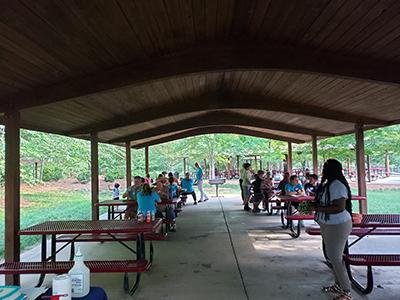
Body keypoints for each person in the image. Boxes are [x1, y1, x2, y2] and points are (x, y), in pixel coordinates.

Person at [309, 159, 353, 300]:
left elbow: (339, 207)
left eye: (325, 168)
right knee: (331, 256)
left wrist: (316, 208)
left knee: (335, 257)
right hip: (328, 224)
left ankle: (346, 291)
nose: (323, 170)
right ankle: (338, 284)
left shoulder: (337, 185)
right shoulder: (328, 184)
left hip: (338, 224)